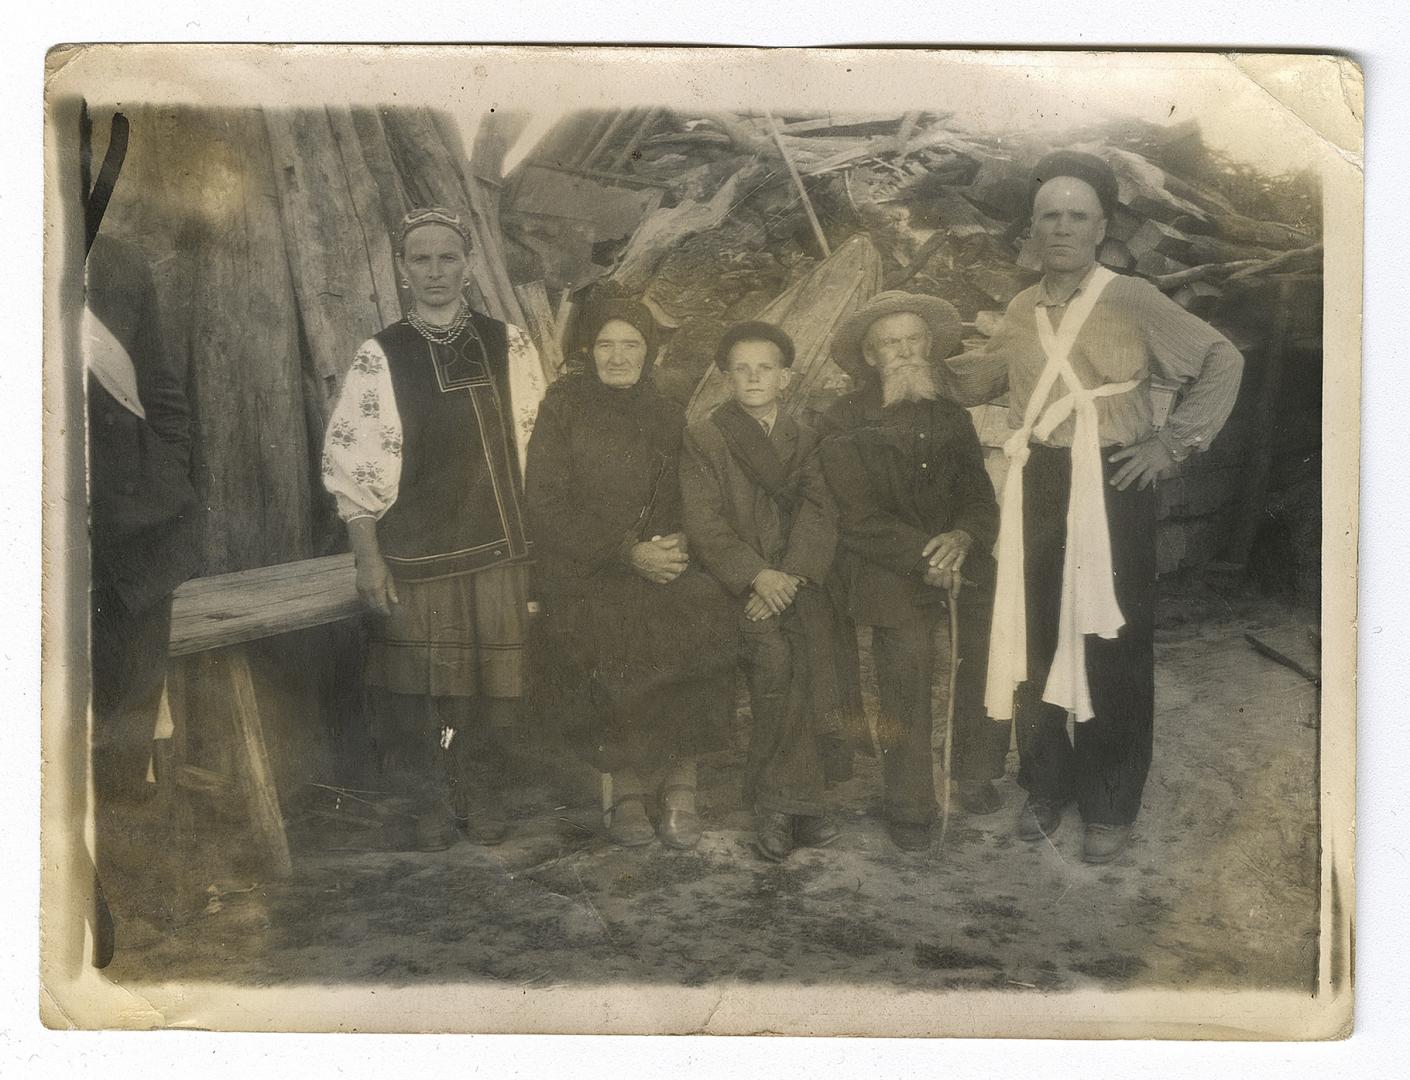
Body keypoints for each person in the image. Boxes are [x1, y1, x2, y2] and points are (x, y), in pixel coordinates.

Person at [942, 150, 1244, 863]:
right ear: (1032, 226)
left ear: (1102, 226)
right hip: (1039, 482)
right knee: (1039, 634)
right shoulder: (1021, 308)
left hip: (1113, 483)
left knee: (1112, 641)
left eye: (1077, 216)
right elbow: (994, 379)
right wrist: (926, 362)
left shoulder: (1131, 298)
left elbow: (1222, 360)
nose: (1062, 229)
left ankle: (1110, 798)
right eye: (1049, 215)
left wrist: (1172, 447)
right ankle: (1048, 784)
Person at [321, 207, 545, 851]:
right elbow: (354, 464)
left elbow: (536, 448)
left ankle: (479, 799)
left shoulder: (511, 344)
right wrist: (368, 559)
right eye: (421, 259)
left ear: (469, 266)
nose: (436, 272)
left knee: (489, 690)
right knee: (429, 690)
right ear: (402, 269)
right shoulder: (380, 354)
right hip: (417, 553)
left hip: (499, 548)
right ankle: (431, 805)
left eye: (449, 257)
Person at [524, 299, 737, 850]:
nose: (618, 357)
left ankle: (681, 785)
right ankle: (627, 790)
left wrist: (680, 542)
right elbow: (545, 503)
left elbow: (687, 491)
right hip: (587, 565)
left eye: (632, 345)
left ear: (650, 352)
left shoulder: (666, 411)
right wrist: (625, 552)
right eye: (606, 345)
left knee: (703, 607)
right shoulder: (563, 405)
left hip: (657, 559)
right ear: (588, 350)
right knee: (614, 625)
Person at [817, 292, 1012, 852]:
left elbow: (978, 499)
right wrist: (928, 556)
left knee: (990, 636)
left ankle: (974, 770)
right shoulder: (843, 418)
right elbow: (857, 516)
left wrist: (963, 538)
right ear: (871, 357)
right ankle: (908, 798)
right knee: (905, 660)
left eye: (913, 341)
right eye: (889, 345)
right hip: (886, 563)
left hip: (956, 558)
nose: (903, 353)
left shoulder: (950, 414)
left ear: (928, 348)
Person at [680, 321, 849, 862]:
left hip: (794, 581)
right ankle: (786, 805)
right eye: (742, 369)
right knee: (776, 662)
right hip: (736, 586)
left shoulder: (805, 435)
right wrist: (758, 576)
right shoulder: (707, 434)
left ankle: (786, 800)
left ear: (785, 376)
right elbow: (704, 522)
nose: (754, 378)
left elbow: (821, 510)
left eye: (765, 368)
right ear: (726, 377)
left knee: (817, 657)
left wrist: (791, 576)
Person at [86, 231, 203, 963]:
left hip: (132, 528)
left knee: (128, 714)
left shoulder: (121, 262)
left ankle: (121, 888)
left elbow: (161, 387)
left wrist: (166, 466)